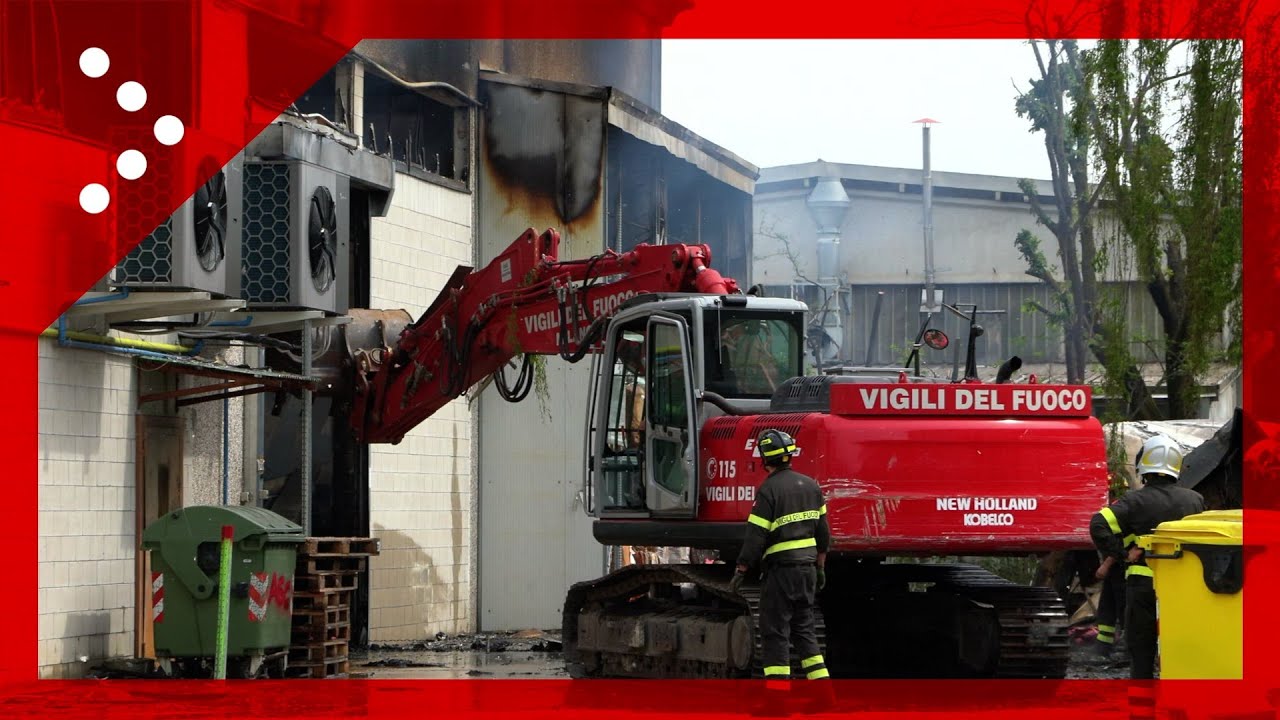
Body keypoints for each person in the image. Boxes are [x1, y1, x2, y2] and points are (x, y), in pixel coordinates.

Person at [731, 429, 832, 714]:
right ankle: (824, 696)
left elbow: (756, 536)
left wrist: (742, 568)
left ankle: (777, 703)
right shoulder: (811, 485)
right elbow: (823, 534)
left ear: (765, 458)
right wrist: (821, 566)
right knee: (804, 630)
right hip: (808, 571)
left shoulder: (769, 490)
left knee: (775, 633)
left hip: (781, 572)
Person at [1089, 434, 1205, 680]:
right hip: (1184, 588)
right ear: (1175, 467)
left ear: (1144, 467)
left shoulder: (1134, 501)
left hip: (1143, 587)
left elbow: (1098, 524)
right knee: (1182, 651)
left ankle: (1142, 709)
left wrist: (1121, 555)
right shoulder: (1195, 500)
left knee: (1141, 654)